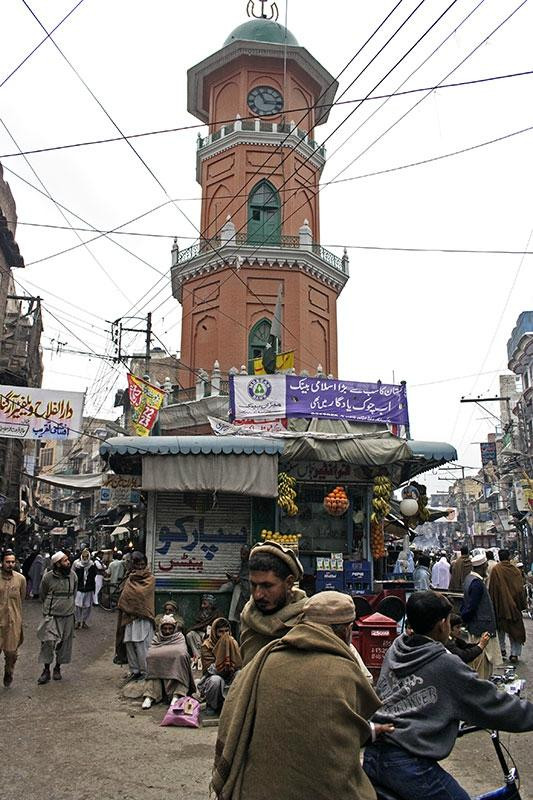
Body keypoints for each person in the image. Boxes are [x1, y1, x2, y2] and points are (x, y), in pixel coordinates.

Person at [212, 591, 390, 800]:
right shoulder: (344, 672)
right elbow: (341, 740)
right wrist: (372, 732)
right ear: (347, 630)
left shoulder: (263, 658)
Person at [363, 590, 533, 800]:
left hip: (373, 755)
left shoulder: (397, 649)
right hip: (408, 764)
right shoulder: (446, 664)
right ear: (442, 624)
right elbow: (495, 705)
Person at [239, 540, 307, 666]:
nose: (258, 595)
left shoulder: (307, 619)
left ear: (289, 583)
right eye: (254, 585)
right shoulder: (248, 616)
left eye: (267, 586)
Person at [37, 551, 77, 685]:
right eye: (65, 561)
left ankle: (57, 668)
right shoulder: (47, 577)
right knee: (48, 643)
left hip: (68, 616)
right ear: (57, 564)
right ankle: (46, 670)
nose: (68, 562)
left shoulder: (73, 576)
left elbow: (74, 594)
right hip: (51, 616)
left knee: (64, 644)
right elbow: (42, 594)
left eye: (68, 560)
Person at [141, 615, 195, 709]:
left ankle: (176, 695)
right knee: (152, 664)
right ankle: (150, 696)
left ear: (174, 629)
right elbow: (151, 653)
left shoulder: (179, 637)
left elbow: (182, 653)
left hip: (175, 670)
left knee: (179, 661)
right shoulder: (157, 637)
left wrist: (164, 654)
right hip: (158, 669)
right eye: (165, 628)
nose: (167, 631)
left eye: (170, 628)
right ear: (160, 628)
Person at [460, 552, 500, 679]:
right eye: (486, 566)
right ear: (481, 567)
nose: (487, 568)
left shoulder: (469, 579)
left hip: (476, 625)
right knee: (482, 665)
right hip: (481, 627)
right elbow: (471, 607)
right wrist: (464, 619)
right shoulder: (476, 583)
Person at [117, 552, 155, 680]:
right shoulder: (129, 578)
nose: (140, 567)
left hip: (143, 618)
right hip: (129, 619)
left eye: (142, 564)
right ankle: (134, 670)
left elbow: (142, 597)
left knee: (142, 646)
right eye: (137, 564)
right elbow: (123, 598)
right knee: (130, 644)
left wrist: (131, 606)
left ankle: (145, 672)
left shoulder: (150, 579)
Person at [488, 549, 527, 663]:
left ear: (499, 558)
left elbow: (493, 589)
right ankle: (514, 654)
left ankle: (502, 650)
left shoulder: (497, 570)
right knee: (516, 631)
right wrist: (520, 605)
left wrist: (494, 604)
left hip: (501, 606)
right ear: (509, 557)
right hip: (514, 606)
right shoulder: (515, 570)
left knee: (501, 630)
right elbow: (520, 590)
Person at [199, 617, 242, 717]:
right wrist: (223, 659)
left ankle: (234, 706)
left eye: (227, 631)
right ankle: (212, 705)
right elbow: (209, 669)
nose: (224, 635)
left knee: (240, 675)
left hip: (230, 674)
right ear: (214, 632)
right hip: (213, 676)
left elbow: (239, 664)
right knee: (216, 680)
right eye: (221, 632)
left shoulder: (233, 643)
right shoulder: (207, 646)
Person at [0, 549, 26, 687]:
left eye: (12, 562)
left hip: (13, 623)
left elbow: (21, 598)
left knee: (11, 653)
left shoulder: (20, 579)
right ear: (2, 563)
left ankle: (8, 672)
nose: (10, 564)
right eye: (7, 562)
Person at [186, 594, 221, 667]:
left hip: (212, 635)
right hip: (200, 634)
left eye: (205, 604)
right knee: (190, 635)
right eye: (202, 604)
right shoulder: (200, 614)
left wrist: (209, 631)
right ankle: (198, 657)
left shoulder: (217, 614)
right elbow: (196, 626)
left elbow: (219, 626)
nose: (202, 606)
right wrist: (202, 633)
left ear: (210, 605)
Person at [226, 545, 251, 638]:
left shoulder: (249, 564)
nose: (241, 556)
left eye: (244, 553)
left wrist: (234, 579)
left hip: (244, 595)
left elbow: (244, 580)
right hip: (240, 592)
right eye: (241, 553)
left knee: (242, 620)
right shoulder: (244, 564)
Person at [73, 549, 97, 629]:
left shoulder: (92, 565)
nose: (85, 558)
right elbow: (73, 575)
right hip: (79, 588)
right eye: (83, 556)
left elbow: (93, 576)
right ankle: (77, 621)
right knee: (77, 606)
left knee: (87, 606)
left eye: (86, 556)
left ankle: (84, 621)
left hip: (88, 588)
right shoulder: (77, 564)